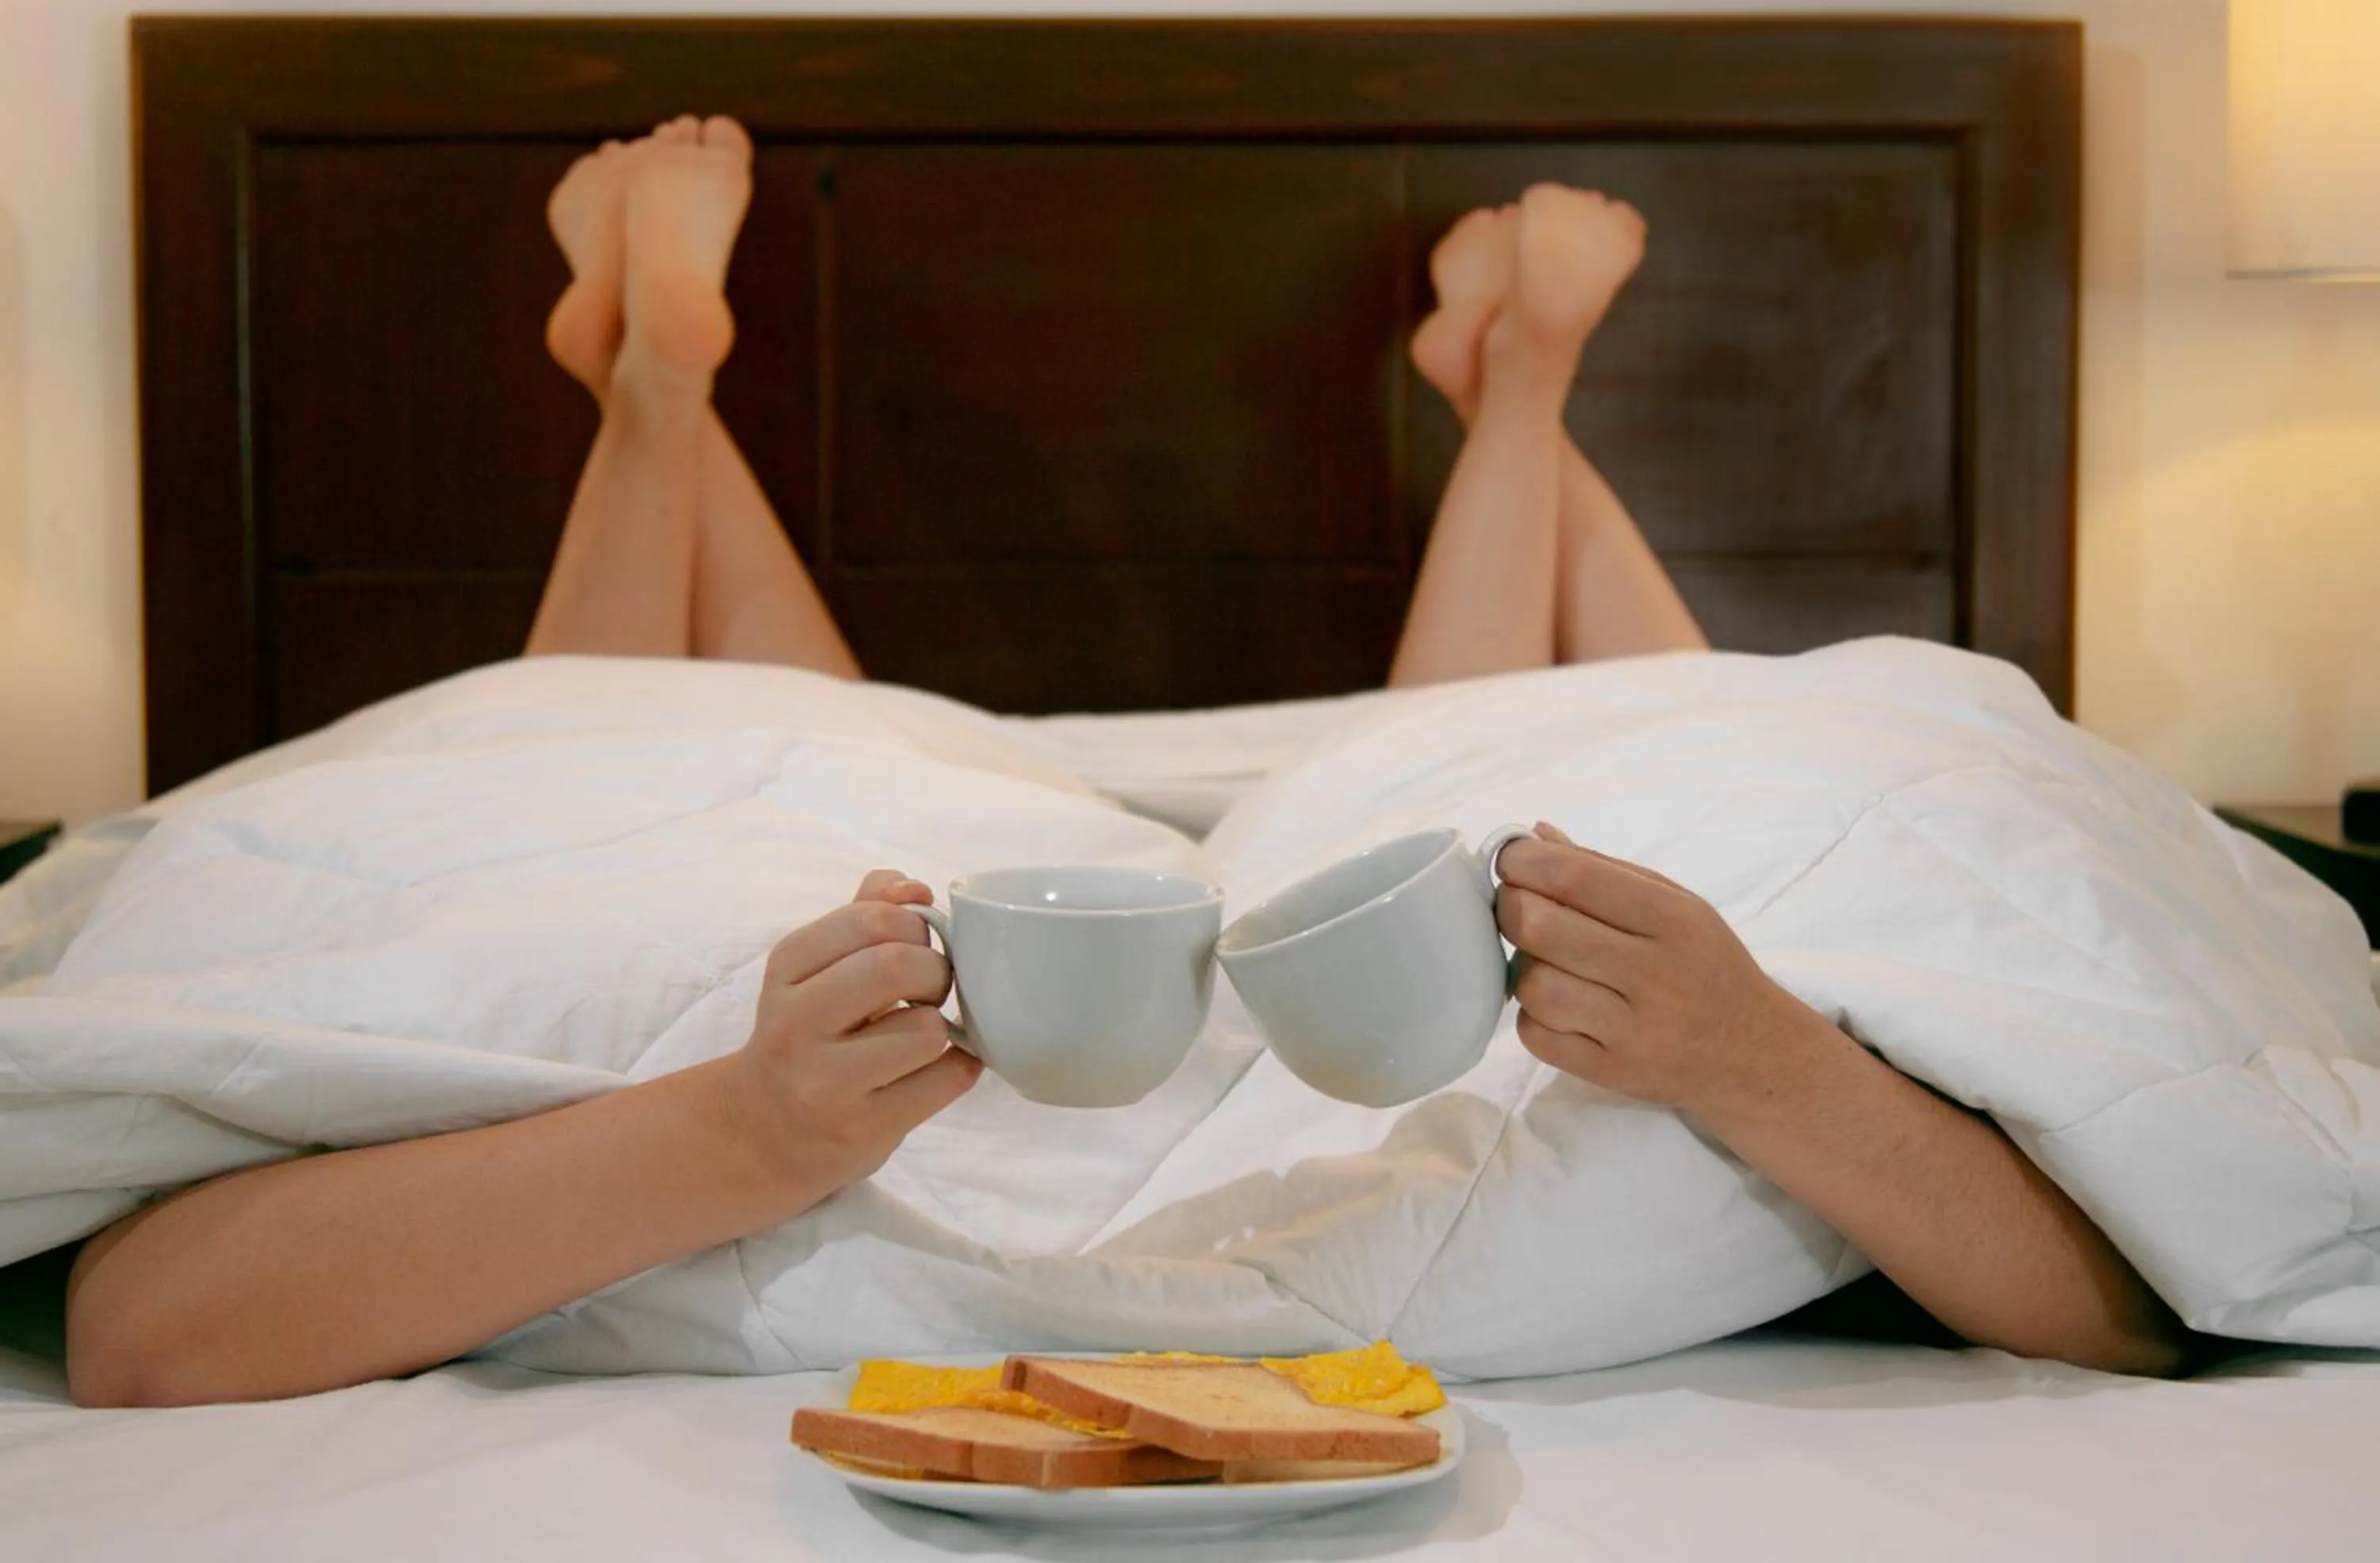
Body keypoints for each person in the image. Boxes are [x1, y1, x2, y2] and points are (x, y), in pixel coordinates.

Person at [61, 119, 2186, 1409]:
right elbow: (143, 1334)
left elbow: (2157, 1290)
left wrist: (1767, 1060)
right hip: (910, 928)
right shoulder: (885, 971)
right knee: (667, 767)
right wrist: (745, 1127)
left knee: (1635, 758)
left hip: (1452, 895)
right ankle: (1520, 397)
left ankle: (662, 400)